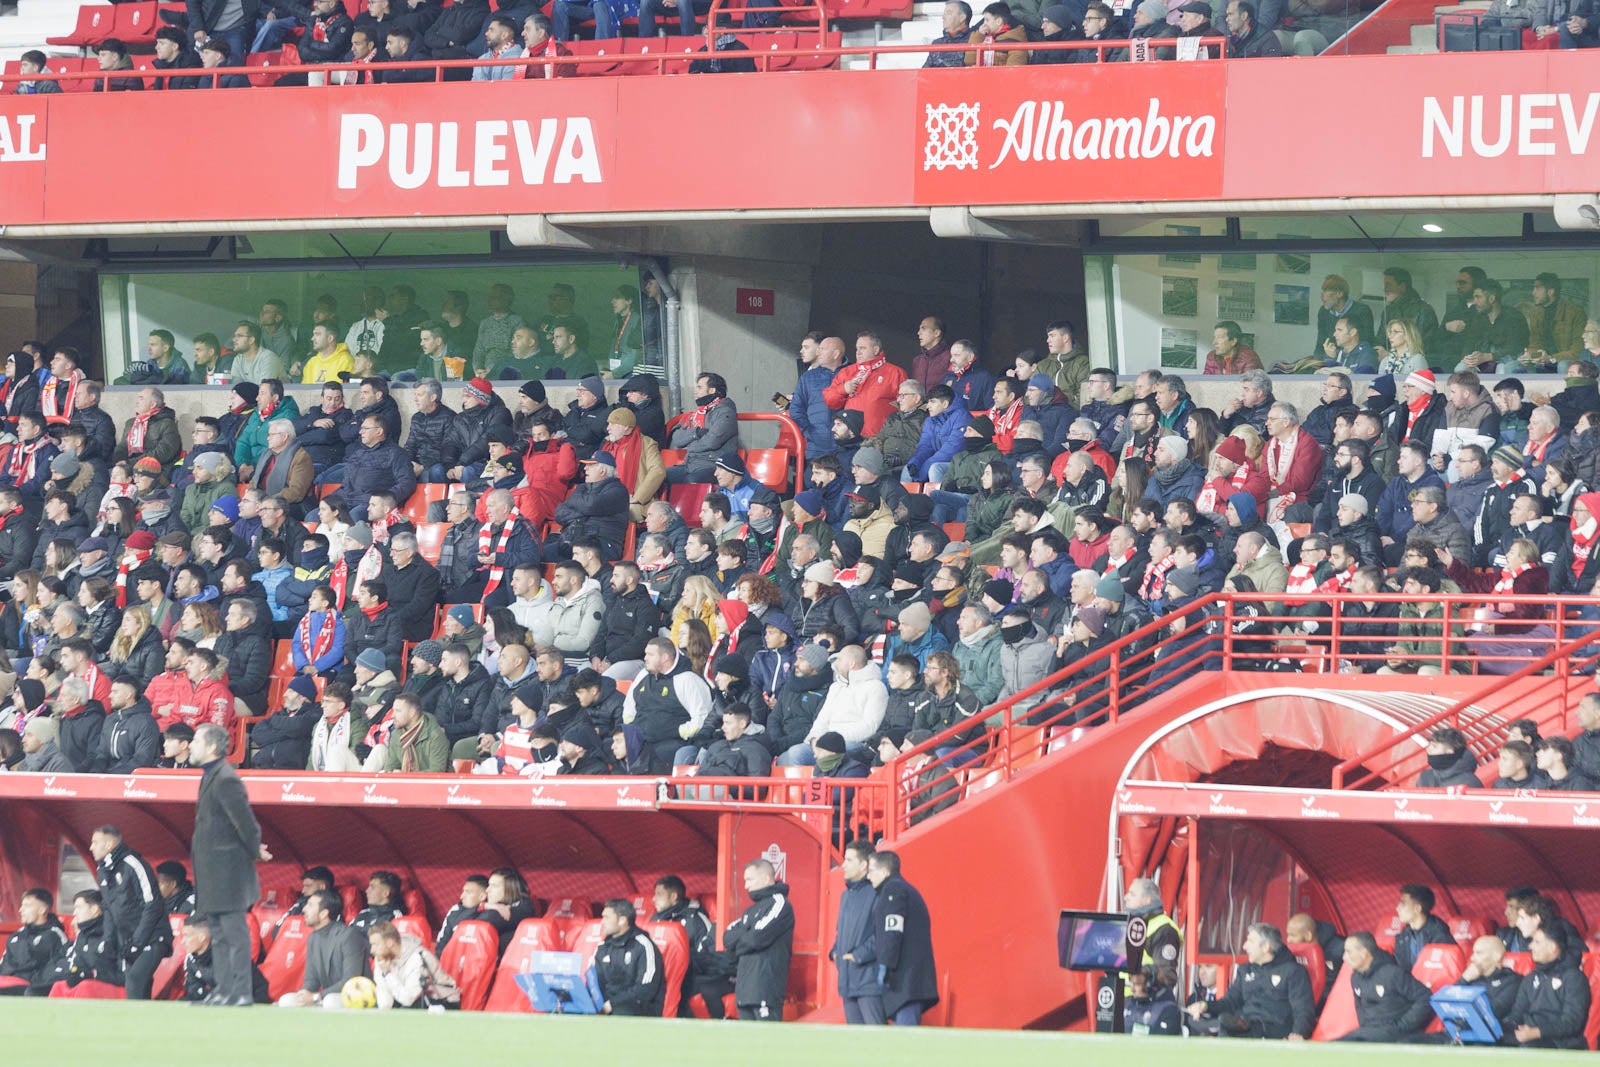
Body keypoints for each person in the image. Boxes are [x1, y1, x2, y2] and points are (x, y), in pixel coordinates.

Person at [189, 722, 267, 1006]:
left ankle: (242, 992)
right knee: (219, 935)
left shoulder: (225, 778)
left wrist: (256, 849)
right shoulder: (210, 775)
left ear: (211, 746)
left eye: (196, 740)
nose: (191, 745)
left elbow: (245, 822)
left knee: (234, 934)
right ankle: (224, 991)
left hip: (228, 872)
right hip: (212, 872)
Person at [1185, 923, 1313, 1039]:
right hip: (1245, 1023)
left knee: (1227, 1026)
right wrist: (1205, 1006)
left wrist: (1298, 1033)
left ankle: (1222, 1026)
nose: (1244, 946)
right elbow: (1230, 1001)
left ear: (1265, 947)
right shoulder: (1245, 970)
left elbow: (1303, 1010)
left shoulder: (1293, 972)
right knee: (1199, 1019)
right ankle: (1222, 1025)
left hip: (1274, 1027)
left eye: (1250, 941)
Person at [90, 824, 171, 1000]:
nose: (91, 847)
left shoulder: (133, 863)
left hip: (152, 936)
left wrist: (138, 941)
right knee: (137, 984)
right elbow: (108, 908)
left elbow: (153, 904)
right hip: (128, 940)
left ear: (109, 844)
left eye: (95, 842)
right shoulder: (102, 870)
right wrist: (108, 939)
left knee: (134, 980)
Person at [866, 848, 938, 1026]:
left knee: (905, 1036)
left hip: (905, 981)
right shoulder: (904, 889)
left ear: (884, 871)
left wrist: (886, 965)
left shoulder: (893, 889)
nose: (868, 876)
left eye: (871, 871)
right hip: (910, 980)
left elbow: (893, 930)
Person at [724, 858, 794, 1021]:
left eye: (749, 879)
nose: (745, 886)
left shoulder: (780, 904)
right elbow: (727, 937)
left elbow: (756, 938)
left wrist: (739, 945)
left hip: (766, 990)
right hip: (744, 991)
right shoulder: (749, 911)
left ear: (766, 879)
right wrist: (745, 939)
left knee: (768, 1037)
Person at [278, 889, 369, 1008]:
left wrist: (317, 996)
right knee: (286, 1000)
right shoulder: (312, 938)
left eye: (310, 905)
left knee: (330, 1001)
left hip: (357, 996)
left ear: (323, 914)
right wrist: (304, 994)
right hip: (325, 996)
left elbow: (350, 981)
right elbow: (311, 979)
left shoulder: (349, 936)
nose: (304, 909)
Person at [1337, 931, 1433, 1042]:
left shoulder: (1392, 973)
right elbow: (1360, 1007)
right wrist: (1366, 1026)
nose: (1344, 957)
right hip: (1370, 1032)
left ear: (1364, 953)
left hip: (1397, 1034)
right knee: (1336, 1045)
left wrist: (1401, 1027)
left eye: (1349, 952)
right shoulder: (1355, 978)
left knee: (1342, 1045)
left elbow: (1425, 998)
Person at [1504, 926, 1591, 1049]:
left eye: (1537, 942)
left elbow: (1573, 1022)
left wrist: (1537, 1032)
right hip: (1529, 1039)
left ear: (1552, 948)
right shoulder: (1530, 978)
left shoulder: (1574, 978)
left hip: (1562, 1046)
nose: (1530, 946)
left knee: (1528, 1048)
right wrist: (1504, 1029)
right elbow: (1516, 1014)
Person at [830, 839, 884, 1024]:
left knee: (876, 1036)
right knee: (856, 1038)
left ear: (863, 865)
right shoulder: (846, 896)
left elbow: (883, 935)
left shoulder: (877, 893)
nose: (843, 865)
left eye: (849, 860)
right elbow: (841, 932)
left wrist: (858, 955)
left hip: (869, 981)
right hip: (847, 980)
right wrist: (835, 951)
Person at [594, 899, 665, 1017]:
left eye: (607, 918)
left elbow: (646, 989)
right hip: (608, 1011)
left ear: (622, 920)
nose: (602, 922)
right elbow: (597, 983)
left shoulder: (644, 946)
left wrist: (613, 1004)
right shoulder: (603, 947)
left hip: (639, 1014)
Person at [369, 920, 460, 1010]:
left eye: (375, 944)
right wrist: (384, 1012)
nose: (372, 950)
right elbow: (384, 996)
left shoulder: (417, 958)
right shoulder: (382, 956)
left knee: (405, 1012)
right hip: (411, 999)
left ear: (390, 943)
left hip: (443, 1001)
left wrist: (387, 974)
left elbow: (408, 999)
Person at [181, 914, 270, 1004]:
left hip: (252, 1001)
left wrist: (208, 996)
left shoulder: (229, 957)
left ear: (202, 937)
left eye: (186, 936)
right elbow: (192, 988)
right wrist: (206, 994)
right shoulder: (192, 958)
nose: (183, 941)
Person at [0, 888, 69, 996]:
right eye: (21, 905)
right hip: (7, 983)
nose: (21, 910)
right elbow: (3, 965)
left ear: (42, 910)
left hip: (31, 988)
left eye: (27, 906)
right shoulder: (15, 937)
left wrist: (35, 985)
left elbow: (58, 968)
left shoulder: (55, 936)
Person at [1123, 877, 1180, 995]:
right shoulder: (1131, 925)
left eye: (1132, 894)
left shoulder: (1164, 929)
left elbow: (1166, 975)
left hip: (1146, 1002)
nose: (1125, 898)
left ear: (1147, 900)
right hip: (1124, 1000)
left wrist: (1142, 974)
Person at [1390, 884, 1454, 972]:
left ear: (1417, 908)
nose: (1397, 908)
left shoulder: (1440, 935)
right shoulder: (1404, 934)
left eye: (1403, 904)